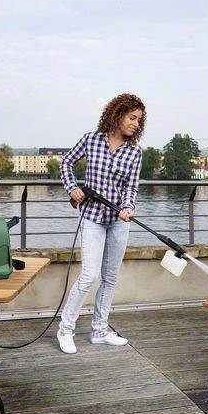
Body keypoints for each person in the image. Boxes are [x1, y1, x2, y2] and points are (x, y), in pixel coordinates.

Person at [56, 93, 145, 354]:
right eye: (132, 118)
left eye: (139, 120)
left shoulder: (135, 152)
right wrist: (72, 188)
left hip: (118, 221)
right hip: (93, 218)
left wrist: (128, 207)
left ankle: (99, 330)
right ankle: (65, 330)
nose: (136, 124)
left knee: (110, 278)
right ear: (118, 115)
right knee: (88, 275)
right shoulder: (91, 140)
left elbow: (132, 187)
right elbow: (66, 163)